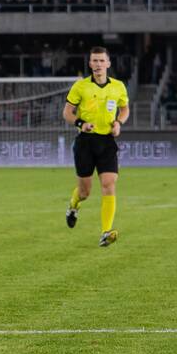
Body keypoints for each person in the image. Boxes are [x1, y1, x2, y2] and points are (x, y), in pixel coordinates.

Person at [62, 46, 130, 248]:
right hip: (85, 142)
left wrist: (119, 123)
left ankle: (105, 232)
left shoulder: (118, 87)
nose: (98, 64)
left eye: (102, 61)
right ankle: (73, 207)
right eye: (95, 61)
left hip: (107, 142)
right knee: (84, 192)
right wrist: (81, 124)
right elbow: (67, 113)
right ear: (90, 63)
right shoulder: (80, 87)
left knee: (109, 184)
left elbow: (125, 108)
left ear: (108, 63)